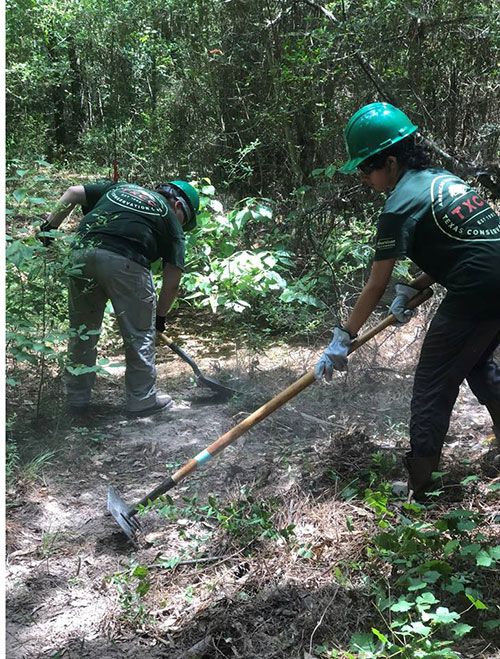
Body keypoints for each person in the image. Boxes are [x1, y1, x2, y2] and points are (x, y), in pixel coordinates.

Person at [315, 102, 500, 498]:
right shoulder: (443, 179)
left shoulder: (398, 207)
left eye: (366, 168)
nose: (364, 178)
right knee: (478, 362)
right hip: (491, 280)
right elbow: (464, 245)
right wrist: (416, 285)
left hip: (478, 290)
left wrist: (342, 337)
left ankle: (421, 482)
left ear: (392, 162)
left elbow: (374, 285)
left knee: (432, 383)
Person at [39, 179, 200, 417]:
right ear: (178, 206)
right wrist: (160, 317)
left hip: (82, 253)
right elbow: (172, 280)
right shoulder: (170, 220)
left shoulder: (120, 188)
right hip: (127, 260)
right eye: (184, 220)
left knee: (83, 330)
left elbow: (73, 192)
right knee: (139, 334)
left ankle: (76, 400)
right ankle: (142, 400)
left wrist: (48, 228)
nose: (181, 225)